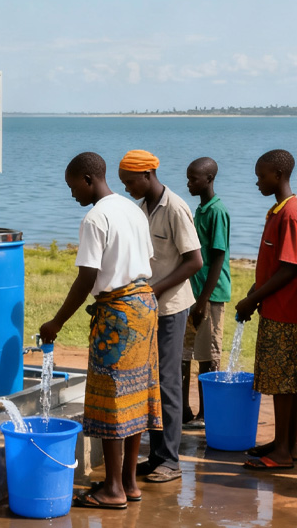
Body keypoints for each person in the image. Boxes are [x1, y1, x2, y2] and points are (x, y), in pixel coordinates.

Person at [39, 152, 162, 510]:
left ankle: (112, 489)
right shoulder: (132, 209)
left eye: (73, 185)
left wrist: (56, 322)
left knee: (112, 399)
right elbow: (145, 260)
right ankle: (129, 482)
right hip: (144, 306)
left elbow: (87, 276)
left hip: (118, 316)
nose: (72, 193)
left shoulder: (95, 218)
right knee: (136, 393)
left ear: (88, 179)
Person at [118, 149, 202, 483]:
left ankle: (170, 459)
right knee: (149, 382)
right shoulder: (141, 209)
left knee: (167, 381)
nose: (126, 189)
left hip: (170, 307)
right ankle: (155, 457)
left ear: (147, 175)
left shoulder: (176, 208)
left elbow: (194, 260)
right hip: (146, 308)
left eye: (130, 182)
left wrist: (156, 290)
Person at [236, 149, 297, 470]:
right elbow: (273, 267)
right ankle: (287, 444)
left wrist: (253, 299)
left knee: (282, 383)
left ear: (278, 176)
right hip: (275, 307)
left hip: (284, 310)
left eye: (261, 176)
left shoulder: (291, 213)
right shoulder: (277, 211)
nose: (257, 182)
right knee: (285, 380)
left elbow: (289, 269)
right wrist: (254, 292)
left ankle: (281, 453)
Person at [182, 157, 231, 429]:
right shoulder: (200, 210)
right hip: (194, 294)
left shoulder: (217, 211)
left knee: (208, 357)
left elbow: (218, 257)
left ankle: (206, 413)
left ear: (209, 179)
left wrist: (202, 301)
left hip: (210, 296)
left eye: (194, 179)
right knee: (187, 352)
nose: (189, 183)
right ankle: (185, 410)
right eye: (188, 178)